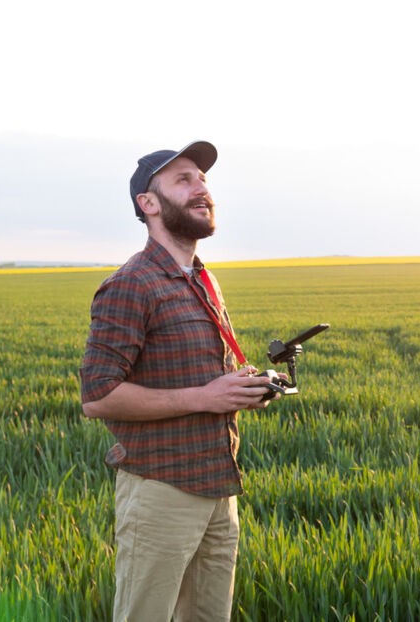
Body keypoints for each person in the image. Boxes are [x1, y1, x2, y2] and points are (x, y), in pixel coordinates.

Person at [79, 140, 276, 621]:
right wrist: (205, 397)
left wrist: (241, 387)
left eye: (203, 179)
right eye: (183, 180)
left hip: (218, 487)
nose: (201, 188)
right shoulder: (133, 283)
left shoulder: (201, 277)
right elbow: (98, 396)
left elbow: (203, 378)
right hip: (161, 492)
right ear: (148, 204)